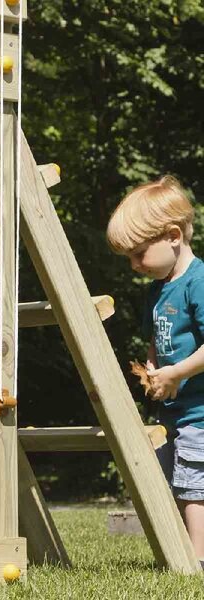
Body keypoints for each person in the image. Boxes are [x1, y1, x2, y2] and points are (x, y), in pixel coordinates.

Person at [107, 175, 204, 563]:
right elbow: (155, 341)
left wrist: (177, 372)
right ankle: (182, 552)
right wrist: (153, 366)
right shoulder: (158, 289)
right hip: (175, 412)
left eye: (139, 253)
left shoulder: (198, 282)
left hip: (201, 412)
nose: (134, 265)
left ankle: (197, 561)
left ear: (173, 235)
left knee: (195, 486)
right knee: (172, 482)